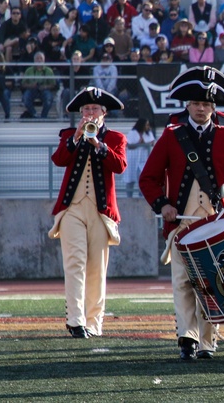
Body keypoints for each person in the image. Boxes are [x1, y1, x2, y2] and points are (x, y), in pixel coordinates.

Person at [139, 77, 224, 361]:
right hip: (181, 222)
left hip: (214, 222)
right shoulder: (171, 136)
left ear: (213, 107)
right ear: (188, 106)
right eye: (196, 103)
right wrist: (162, 204)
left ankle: (207, 341)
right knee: (182, 280)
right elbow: (149, 178)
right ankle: (187, 338)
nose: (201, 108)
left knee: (211, 282)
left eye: (206, 104)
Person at [48, 87, 127, 338]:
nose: (90, 113)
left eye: (94, 109)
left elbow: (120, 166)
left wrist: (99, 145)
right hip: (72, 207)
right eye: (86, 110)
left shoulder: (115, 138)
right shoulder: (69, 135)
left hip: (101, 210)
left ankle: (94, 322)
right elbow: (59, 160)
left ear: (104, 113)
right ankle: (76, 320)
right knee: (75, 262)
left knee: (96, 268)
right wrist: (76, 138)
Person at [122, 118, 155, 197]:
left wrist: (144, 142)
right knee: (130, 179)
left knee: (142, 179)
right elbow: (129, 145)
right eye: (146, 125)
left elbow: (152, 142)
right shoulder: (133, 133)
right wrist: (139, 143)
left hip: (143, 160)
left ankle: (142, 196)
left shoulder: (148, 133)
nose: (147, 126)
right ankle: (129, 197)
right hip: (133, 159)